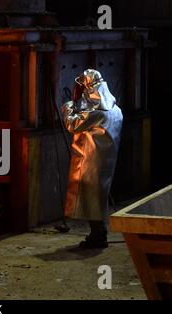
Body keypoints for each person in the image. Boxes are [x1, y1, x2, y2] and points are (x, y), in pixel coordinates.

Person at [62, 69, 123, 249]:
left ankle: (98, 235)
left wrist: (68, 104)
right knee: (98, 197)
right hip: (105, 160)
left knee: (90, 198)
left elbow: (72, 124)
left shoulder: (98, 113)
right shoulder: (115, 109)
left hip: (91, 159)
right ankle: (99, 233)